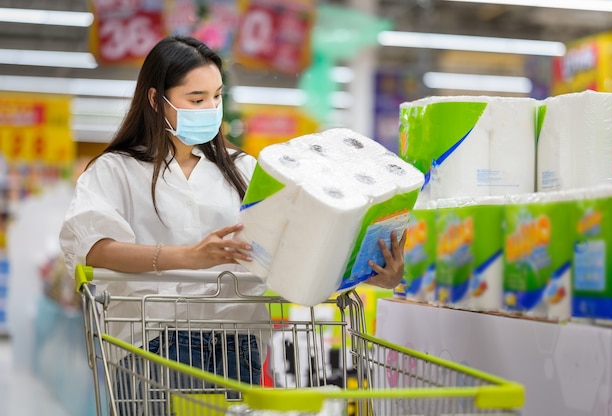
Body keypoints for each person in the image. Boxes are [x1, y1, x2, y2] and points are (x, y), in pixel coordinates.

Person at [59, 34, 406, 404]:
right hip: (155, 342)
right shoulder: (117, 170)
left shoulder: (244, 170)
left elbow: (290, 253)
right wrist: (187, 257)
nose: (211, 108)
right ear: (154, 99)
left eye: (217, 96)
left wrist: (370, 271)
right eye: (196, 99)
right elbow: (92, 247)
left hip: (239, 344)